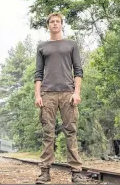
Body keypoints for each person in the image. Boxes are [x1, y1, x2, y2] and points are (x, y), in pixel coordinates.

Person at [34, 12, 86, 184]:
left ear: (62, 24)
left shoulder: (71, 45)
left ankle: (76, 172)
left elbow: (78, 70)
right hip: (47, 94)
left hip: (67, 93)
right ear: (48, 25)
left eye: (58, 21)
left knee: (70, 132)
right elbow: (38, 73)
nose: (55, 24)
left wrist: (76, 92)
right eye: (52, 21)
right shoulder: (42, 47)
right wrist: (37, 94)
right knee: (48, 133)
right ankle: (45, 172)